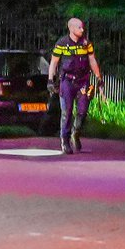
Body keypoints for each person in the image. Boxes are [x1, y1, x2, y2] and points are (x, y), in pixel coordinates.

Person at [48, 17, 103, 154]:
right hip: (67, 81)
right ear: (71, 28)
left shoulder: (86, 43)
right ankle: (65, 140)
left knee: (83, 111)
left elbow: (92, 60)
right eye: (79, 27)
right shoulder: (62, 43)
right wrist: (50, 80)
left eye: (83, 27)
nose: (82, 30)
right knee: (66, 111)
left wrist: (99, 78)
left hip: (83, 82)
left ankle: (76, 133)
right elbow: (54, 62)